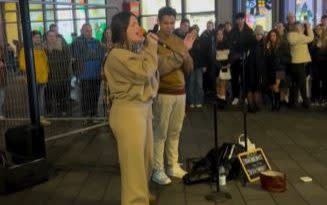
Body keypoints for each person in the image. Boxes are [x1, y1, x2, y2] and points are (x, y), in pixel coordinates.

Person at [103, 11, 159, 205]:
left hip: (143, 109)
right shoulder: (116, 55)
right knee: (133, 165)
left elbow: (152, 76)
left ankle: (142, 193)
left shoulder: (134, 52)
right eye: (132, 24)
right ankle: (135, 201)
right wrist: (150, 48)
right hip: (128, 112)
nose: (138, 28)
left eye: (138, 24)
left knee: (146, 160)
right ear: (121, 30)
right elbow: (145, 73)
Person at [152, 6, 195, 185]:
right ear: (159, 22)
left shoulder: (179, 40)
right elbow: (161, 68)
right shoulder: (153, 41)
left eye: (172, 22)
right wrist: (180, 55)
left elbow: (190, 67)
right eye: (166, 23)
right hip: (163, 93)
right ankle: (157, 168)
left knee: (175, 131)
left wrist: (183, 54)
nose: (169, 26)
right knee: (160, 132)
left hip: (180, 91)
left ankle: (172, 164)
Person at [71, 23, 105, 123]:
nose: (89, 32)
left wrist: (89, 54)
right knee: (85, 97)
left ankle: (94, 114)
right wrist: (91, 55)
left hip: (96, 74)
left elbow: (101, 55)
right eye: (87, 30)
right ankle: (85, 116)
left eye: (90, 31)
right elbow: (79, 56)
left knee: (95, 95)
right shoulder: (77, 42)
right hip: (84, 75)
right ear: (82, 31)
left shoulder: (96, 42)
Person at [19, 30, 50, 125]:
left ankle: (40, 117)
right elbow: (22, 65)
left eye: (39, 37)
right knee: (33, 99)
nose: (38, 39)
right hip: (32, 80)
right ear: (31, 38)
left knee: (41, 100)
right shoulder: (25, 49)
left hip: (42, 79)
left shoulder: (41, 49)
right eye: (36, 37)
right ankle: (33, 118)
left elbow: (45, 63)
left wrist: (46, 73)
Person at [230, 12, 255, 105]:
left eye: (241, 19)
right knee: (235, 79)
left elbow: (252, 44)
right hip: (235, 58)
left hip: (246, 59)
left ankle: (245, 97)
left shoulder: (249, 30)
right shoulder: (233, 31)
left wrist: (246, 52)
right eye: (238, 19)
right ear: (236, 20)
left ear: (244, 19)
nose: (240, 21)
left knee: (245, 79)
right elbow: (230, 44)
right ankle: (235, 96)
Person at [44, 30, 72, 116]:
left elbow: (68, 58)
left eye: (53, 36)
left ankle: (63, 110)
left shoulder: (63, 45)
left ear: (56, 37)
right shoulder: (43, 47)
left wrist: (68, 72)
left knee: (62, 95)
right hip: (48, 76)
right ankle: (49, 112)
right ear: (47, 37)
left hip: (61, 75)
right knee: (48, 95)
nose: (51, 38)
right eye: (49, 36)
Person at [287, 22, 314, 108]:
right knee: (300, 82)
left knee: (299, 83)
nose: (302, 28)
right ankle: (295, 101)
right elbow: (311, 38)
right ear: (296, 27)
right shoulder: (299, 36)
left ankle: (303, 102)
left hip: (296, 62)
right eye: (300, 26)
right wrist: (308, 28)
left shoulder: (291, 35)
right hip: (299, 62)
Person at [265, 29, 291, 111]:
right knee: (273, 87)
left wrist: (280, 60)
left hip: (280, 69)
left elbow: (289, 58)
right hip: (271, 69)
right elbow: (266, 59)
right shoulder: (268, 46)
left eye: (274, 35)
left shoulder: (282, 45)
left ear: (277, 36)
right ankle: (276, 103)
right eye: (271, 36)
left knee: (276, 86)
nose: (272, 37)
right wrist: (267, 49)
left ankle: (276, 104)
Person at [187, 25, 205, 108]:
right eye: (193, 32)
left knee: (199, 84)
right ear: (190, 32)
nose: (194, 33)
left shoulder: (200, 41)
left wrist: (205, 65)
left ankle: (199, 101)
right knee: (191, 83)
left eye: (195, 32)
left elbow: (204, 54)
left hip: (199, 66)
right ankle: (191, 101)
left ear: (197, 32)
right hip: (190, 65)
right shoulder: (187, 41)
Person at [0, 47, 7, 119]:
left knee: (2, 98)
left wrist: (3, 66)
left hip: (2, 82)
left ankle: (1, 113)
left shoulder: (2, 60)